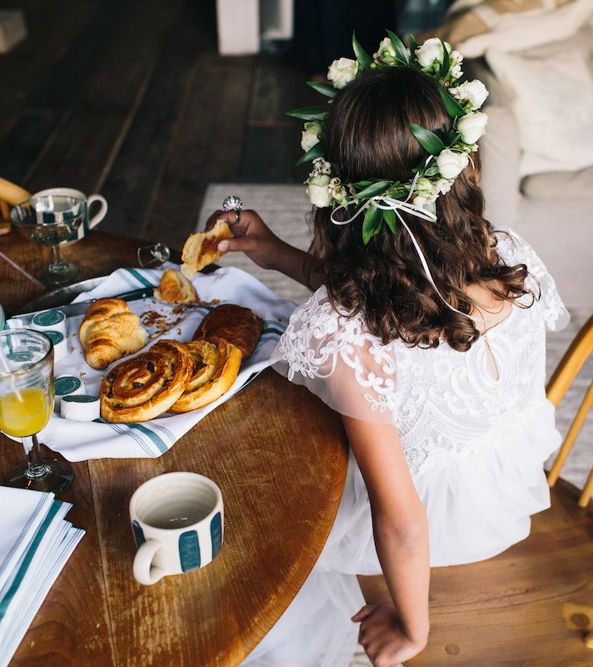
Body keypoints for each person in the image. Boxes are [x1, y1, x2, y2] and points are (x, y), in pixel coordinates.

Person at [208, 38, 569, 667]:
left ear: (337, 198)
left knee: (246, 499)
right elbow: (390, 293)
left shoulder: (346, 332)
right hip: (502, 493)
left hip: (426, 537)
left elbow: (400, 521)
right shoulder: (506, 251)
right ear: (461, 169)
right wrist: (271, 254)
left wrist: (412, 628)